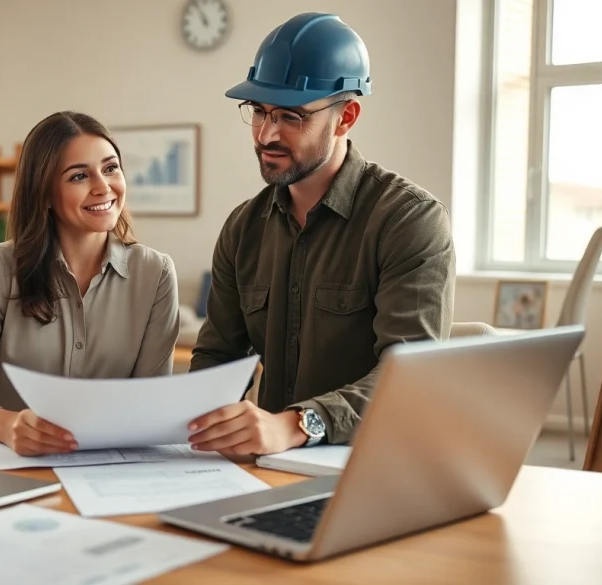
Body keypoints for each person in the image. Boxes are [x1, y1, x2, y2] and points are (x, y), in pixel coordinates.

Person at [186, 13, 456, 455]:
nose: (267, 134)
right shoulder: (242, 228)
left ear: (346, 116)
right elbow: (218, 361)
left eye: (291, 116)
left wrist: (295, 425)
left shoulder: (409, 221)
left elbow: (408, 377)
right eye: (259, 111)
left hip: (373, 463)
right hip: (265, 465)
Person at [0, 111, 180, 455]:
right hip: (13, 470)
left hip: (113, 473)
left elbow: (150, 405)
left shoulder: (155, 273)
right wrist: (7, 425)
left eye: (111, 168)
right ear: (43, 191)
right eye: (79, 175)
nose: (103, 186)